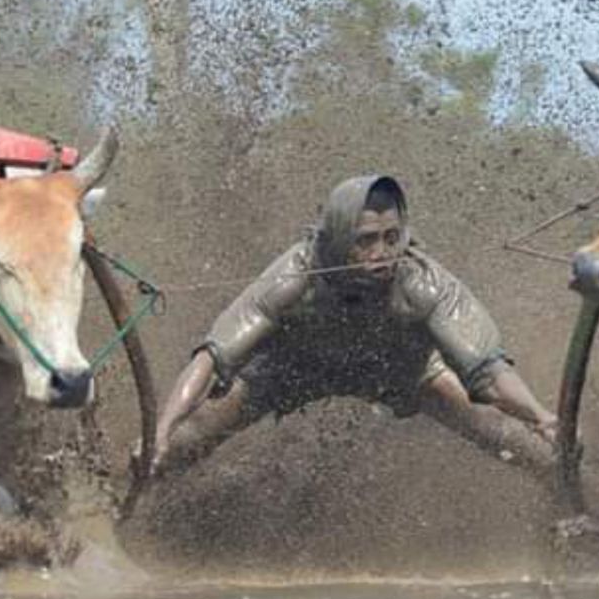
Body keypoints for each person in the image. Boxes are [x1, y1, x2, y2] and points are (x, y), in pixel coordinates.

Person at [148, 174, 557, 478]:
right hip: (291, 369)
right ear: (339, 238)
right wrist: (164, 429)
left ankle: (575, 491)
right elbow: (213, 358)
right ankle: (121, 496)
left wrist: (541, 417)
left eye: (391, 237)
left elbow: (490, 371)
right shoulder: (295, 277)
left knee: (502, 429)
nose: (382, 254)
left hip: (401, 369)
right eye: (366, 240)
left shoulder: (421, 281)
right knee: (184, 439)